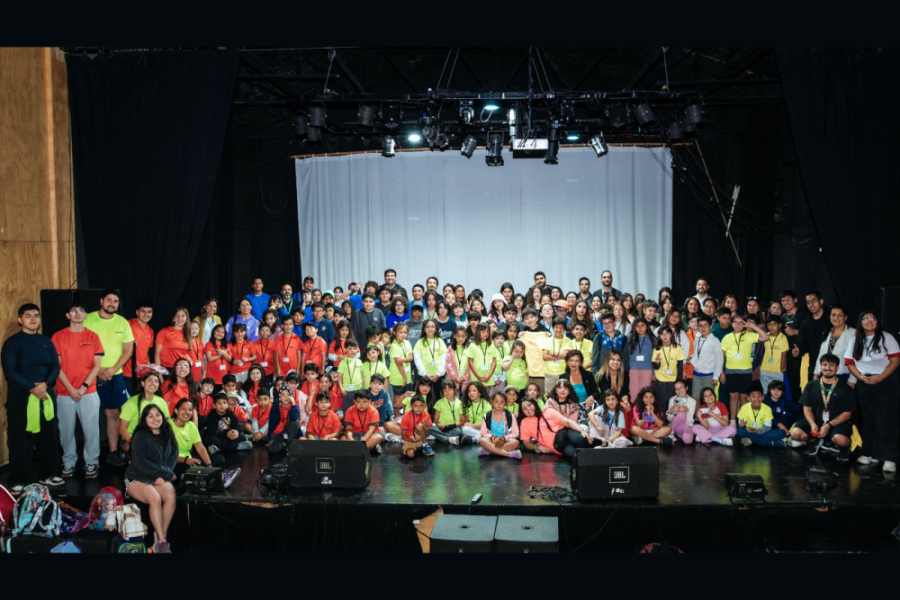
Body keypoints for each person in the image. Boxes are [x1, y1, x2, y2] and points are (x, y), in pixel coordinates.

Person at [1, 303, 63, 493]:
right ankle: (19, 478)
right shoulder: (13, 342)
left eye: (36, 315)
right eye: (28, 316)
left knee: (49, 436)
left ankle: (49, 474)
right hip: (21, 397)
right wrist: (32, 388)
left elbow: (55, 366)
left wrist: (46, 384)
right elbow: (10, 372)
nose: (33, 319)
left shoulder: (46, 341)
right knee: (21, 439)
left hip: (45, 394)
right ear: (20, 319)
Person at [52, 302, 104, 480]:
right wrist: (70, 388)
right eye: (73, 311)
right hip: (65, 392)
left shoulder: (93, 336)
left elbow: (97, 365)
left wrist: (82, 387)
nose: (77, 314)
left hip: (88, 392)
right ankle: (69, 461)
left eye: (81, 311)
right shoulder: (58, 336)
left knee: (91, 430)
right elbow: (56, 367)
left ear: (86, 315)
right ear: (68, 315)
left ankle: (91, 462)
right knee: (66, 430)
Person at [84, 289, 134, 467]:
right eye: (109, 300)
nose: (112, 303)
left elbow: (128, 351)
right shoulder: (88, 319)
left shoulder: (122, 323)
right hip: (89, 374)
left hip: (115, 375)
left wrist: (113, 369)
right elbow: (81, 347)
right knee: (88, 415)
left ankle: (113, 452)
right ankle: (89, 456)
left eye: (115, 301)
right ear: (101, 301)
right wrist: (95, 369)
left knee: (113, 413)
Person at [845, 311, 900, 472]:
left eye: (872, 318)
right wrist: (861, 378)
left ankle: (889, 458)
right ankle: (870, 453)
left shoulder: (886, 337)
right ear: (860, 322)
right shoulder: (855, 339)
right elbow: (850, 363)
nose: (869, 321)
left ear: (877, 321)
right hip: (865, 383)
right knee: (869, 419)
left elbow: (895, 361)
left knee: (887, 419)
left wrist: (880, 377)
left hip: (886, 382)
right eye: (865, 319)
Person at [123, 404, 178, 553]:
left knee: (171, 495)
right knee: (155, 498)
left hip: (158, 476)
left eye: (158, 414)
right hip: (137, 477)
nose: (155, 418)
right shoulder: (140, 436)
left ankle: (161, 536)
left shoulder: (167, 432)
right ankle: (161, 542)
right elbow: (140, 463)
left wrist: (163, 475)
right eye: (150, 416)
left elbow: (173, 454)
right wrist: (165, 473)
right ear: (144, 419)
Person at [721, 314, 770, 419]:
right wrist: (721, 372)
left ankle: (742, 421)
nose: (738, 324)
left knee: (743, 397)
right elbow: (722, 357)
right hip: (730, 371)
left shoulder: (749, 335)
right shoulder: (727, 338)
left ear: (744, 324)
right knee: (733, 397)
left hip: (746, 372)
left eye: (741, 322)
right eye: (735, 322)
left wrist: (753, 326)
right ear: (731, 324)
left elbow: (766, 337)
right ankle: (733, 421)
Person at [519, 397, 595, 459]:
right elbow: (526, 443)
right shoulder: (524, 423)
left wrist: (582, 431)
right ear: (523, 412)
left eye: (529, 405)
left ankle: (603, 443)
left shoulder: (548, 412)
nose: (528, 409)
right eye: (525, 408)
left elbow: (567, 422)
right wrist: (538, 447)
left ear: (534, 404)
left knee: (580, 439)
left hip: (566, 433)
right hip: (558, 445)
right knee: (573, 455)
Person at [170, 398, 225, 478]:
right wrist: (186, 460)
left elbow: (200, 447)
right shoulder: (167, 427)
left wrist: (209, 465)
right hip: (175, 462)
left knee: (219, 459)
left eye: (190, 410)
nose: (187, 412)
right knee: (192, 467)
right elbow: (166, 456)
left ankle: (209, 474)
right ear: (176, 411)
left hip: (189, 459)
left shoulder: (191, 425)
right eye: (183, 409)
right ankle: (216, 477)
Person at [119, 369, 171, 453]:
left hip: (154, 438)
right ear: (143, 383)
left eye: (156, 381)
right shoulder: (131, 403)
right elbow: (122, 428)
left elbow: (167, 423)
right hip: (132, 438)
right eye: (149, 380)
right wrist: (133, 442)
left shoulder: (161, 401)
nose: (153, 383)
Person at [813, 305, 856, 384]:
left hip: (843, 377)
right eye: (833, 315)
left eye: (840, 315)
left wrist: (852, 380)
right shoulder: (826, 332)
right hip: (824, 376)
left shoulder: (854, 334)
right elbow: (821, 355)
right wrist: (816, 374)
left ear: (845, 317)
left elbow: (857, 360)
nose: (836, 318)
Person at [780, 290, 808, 401]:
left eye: (789, 299)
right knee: (792, 385)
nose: (786, 302)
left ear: (795, 300)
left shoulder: (804, 314)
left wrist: (795, 331)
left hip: (803, 355)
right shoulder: (783, 318)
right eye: (783, 300)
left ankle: (805, 413)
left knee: (804, 384)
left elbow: (811, 332)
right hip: (789, 356)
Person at [430, 379, 476, 446]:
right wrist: (439, 425)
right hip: (443, 427)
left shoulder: (460, 403)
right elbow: (435, 419)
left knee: (459, 431)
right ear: (442, 392)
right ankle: (449, 439)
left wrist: (452, 425)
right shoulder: (439, 402)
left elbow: (462, 421)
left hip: (455, 428)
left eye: (450, 390)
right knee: (430, 428)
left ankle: (442, 437)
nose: (447, 392)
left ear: (455, 390)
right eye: (445, 390)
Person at [688, 315, 724, 399]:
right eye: (700, 326)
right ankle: (698, 412)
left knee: (708, 399)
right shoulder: (698, 338)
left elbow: (719, 359)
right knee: (696, 397)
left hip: (709, 374)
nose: (703, 328)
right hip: (696, 373)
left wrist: (716, 376)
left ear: (711, 326)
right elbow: (696, 353)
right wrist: (691, 357)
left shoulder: (715, 341)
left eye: (706, 325)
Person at [478, 392, 522, 459]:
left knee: (515, 442)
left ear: (505, 403)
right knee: (482, 440)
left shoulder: (510, 416)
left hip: (504, 441)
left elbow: (516, 433)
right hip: (492, 441)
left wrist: (504, 438)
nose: (499, 404)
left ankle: (488, 450)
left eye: (502, 402)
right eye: (496, 402)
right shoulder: (487, 416)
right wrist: (491, 436)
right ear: (492, 402)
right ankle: (508, 454)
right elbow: (483, 432)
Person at [797, 291, 830, 382]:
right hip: (814, 364)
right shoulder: (806, 323)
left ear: (821, 301)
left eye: (814, 301)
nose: (811, 304)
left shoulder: (832, 318)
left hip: (832, 365)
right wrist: (798, 351)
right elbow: (802, 344)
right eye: (808, 302)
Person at [736, 381, 780, 448]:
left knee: (781, 433)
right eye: (753, 396)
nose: (757, 399)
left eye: (759, 396)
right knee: (740, 431)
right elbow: (741, 426)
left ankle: (752, 439)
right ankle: (770, 443)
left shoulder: (767, 409)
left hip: (762, 431)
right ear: (749, 398)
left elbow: (767, 427)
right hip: (748, 430)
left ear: (762, 397)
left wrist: (756, 431)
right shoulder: (744, 408)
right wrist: (742, 426)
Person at [123, 300, 154, 393]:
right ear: (137, 312)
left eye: (149, 312)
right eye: (143, 311)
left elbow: (146, 352)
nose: (146, 314)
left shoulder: (150, 331)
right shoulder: (128, 324)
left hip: (143, 374)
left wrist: (149, 366)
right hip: (128, 373)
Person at [651, 328, 685, 402]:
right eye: (662, 334)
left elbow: (680, 365)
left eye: (667, 333)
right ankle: (663, 413)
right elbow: (655, 367)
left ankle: (670, 413)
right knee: (662, 400)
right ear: (659, 336)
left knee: (672, 400)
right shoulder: (657, 348)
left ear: (671, 335)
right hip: (660, 378)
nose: (665, 336)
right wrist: (657, 362)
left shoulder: (677, 347)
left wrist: (679, 380)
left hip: (673, 378)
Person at [467, 322, 500, 394]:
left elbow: (494, 362)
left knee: (488, 398)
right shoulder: (473, 345)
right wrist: (478, 376)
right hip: (476, 378)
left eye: (488, 331)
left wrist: (489, 375)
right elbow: (470, 362)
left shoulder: (491, 345)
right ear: (478, 332)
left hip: (489, 379)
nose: (486, 334)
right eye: (483, 331)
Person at [627, 319, 657, 401]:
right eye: (637, 326)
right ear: (634, 328)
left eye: (642, 325)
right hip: (632, 369)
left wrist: (654, 372)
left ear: (647, 326)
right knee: (632, 393)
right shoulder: (629, 338)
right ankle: (633, 412)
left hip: (647, 369)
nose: (640, 328)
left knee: (644, 394)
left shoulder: (653, 339)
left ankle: (641, 412)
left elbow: (656, 358)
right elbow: (625, 355)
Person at [760, 315, 789, 393]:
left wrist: (781, 370)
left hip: (777, 371)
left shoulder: (783, 338)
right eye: (769, 324)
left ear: (779, 325)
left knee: (776, 393)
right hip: (764, 370)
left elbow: (784, 354)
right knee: (765, 393)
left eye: (774, 324)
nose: (771, 326)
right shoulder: (765, 336)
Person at [268, 386, 301, 452]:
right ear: (279, 397)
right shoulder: (275, 408)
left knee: (295, 422)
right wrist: (270, 438)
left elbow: (293, 418)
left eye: (288, 395)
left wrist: (294, 404)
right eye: (283, 395)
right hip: (279, 432)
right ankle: (284, 443)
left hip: (291, 431)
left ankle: (289, 441)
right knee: (273, 449)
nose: (286, 397)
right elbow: (271, 424)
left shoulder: (294, 406)